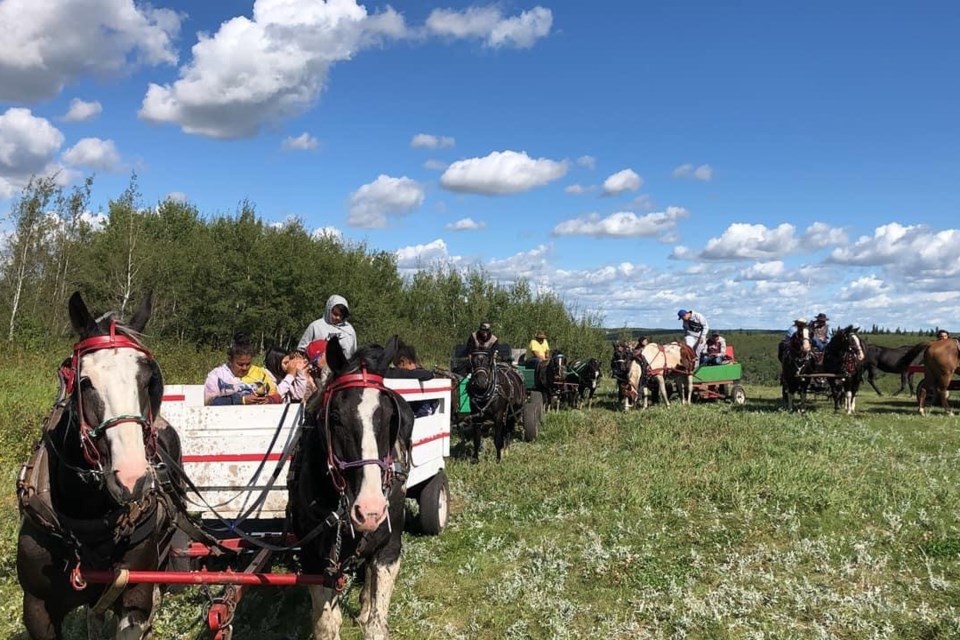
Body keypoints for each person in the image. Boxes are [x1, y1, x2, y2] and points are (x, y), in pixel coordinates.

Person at [204, 333, 280, 405]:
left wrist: (269, 400)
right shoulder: (217, 376)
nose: (245, 368)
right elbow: (209, 402)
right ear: (230, 360)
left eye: (248, 364)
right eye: (240, 364)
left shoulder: (260, 373)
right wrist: (240, 400)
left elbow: (277, 396)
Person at [297, 294, 357, 359]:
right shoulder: (316, 326)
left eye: (341, 315)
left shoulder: (349, 330)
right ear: (329, 310)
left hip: (342, 367)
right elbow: (301, 351)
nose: (338, 318)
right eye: (335, 314)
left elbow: (354, 354)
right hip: (317, 367)